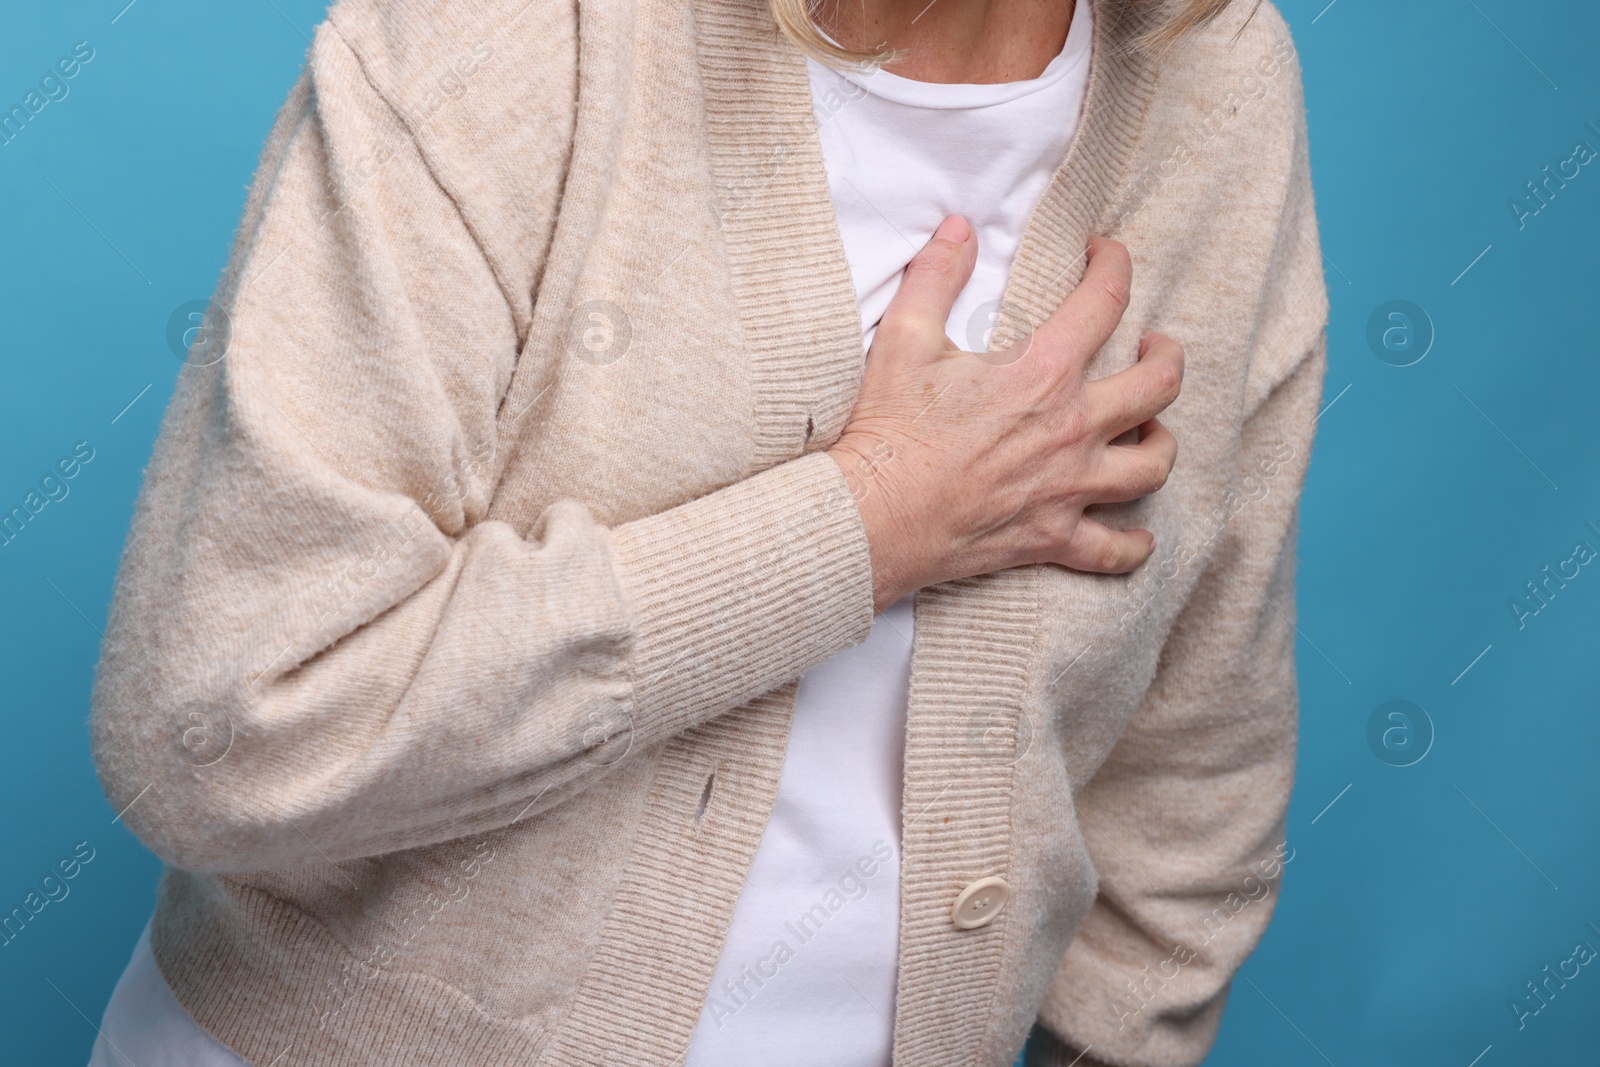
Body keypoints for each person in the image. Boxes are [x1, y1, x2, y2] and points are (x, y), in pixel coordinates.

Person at [86, 0, 1327, 1062]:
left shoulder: (1218, 77)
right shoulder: (522, 37)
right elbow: (219, 729)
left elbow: (1196, 752)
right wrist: (872, 518)